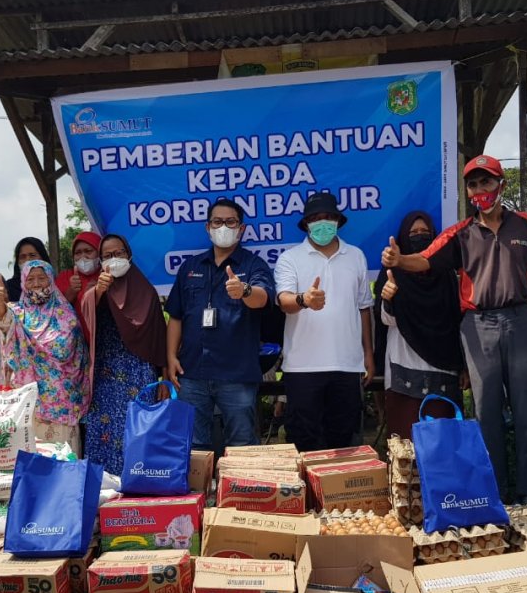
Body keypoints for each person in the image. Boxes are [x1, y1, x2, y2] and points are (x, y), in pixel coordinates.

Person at [382, 155, 527, 504]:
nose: (480, 190)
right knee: (485, 412)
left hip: (523, 321)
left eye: (487, 182)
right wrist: (399, 260)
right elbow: (426, 260)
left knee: (526, 411)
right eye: (474, 184)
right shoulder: (460, 234)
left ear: (501, 185)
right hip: (478, 327)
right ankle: (494, 492)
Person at [165, 198, 276, 450]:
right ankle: (200, 490)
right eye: (217, 221)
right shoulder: (190, 267)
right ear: (208, 227)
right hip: (192, 373)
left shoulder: (253, 265)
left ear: (242, 228)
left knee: (242, 444)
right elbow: (176, 316)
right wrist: (171, 357)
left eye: (230, 222)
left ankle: (242, 490)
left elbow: (263, 298)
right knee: (193, 447)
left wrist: (244, 291)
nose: (223, 227)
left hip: (236, 374)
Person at [275, 192, 374, 452]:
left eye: (328, 217)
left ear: (338, 221)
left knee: (344, 442)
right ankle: (308, 494)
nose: (322, 223)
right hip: (302, 367)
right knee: (305, 443)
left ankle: (338, 493)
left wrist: (368, 355)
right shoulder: (290, 258)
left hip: (347, 365)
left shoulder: (356, 256)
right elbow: (284, 301)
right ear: (306, 223)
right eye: (315, 218)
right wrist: (305, 300)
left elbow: (364, 308)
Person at [79, 233, 167, 475]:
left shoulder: (146, 291)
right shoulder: (96, 289)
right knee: (105, 431)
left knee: (138, 427)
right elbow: (86, 313)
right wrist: (99, 291)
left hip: (139, 372)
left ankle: (139, 482)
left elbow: (160, 335)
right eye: (107, 256)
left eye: (118, 254)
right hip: (106, 374)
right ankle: (104, 487)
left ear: (129, 255)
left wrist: (165, 377)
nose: (113, 259)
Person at [373, 211, 465, 441]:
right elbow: (386, 320)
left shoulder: (446, 275)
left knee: (442, 446)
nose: (419, 236)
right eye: (413, 233)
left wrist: (464, 365)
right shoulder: (392, 274)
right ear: (404, 237)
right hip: (402, 367)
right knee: (405, 448)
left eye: (425, 233)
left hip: (443, 370)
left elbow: (458, 321)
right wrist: (388, 298)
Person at [0, 260, 89, 452]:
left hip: (61, 405)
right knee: (31, 460)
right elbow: (2, 324)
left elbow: (68, 353)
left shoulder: (66, 315)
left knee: (62, 461)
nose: (36, 283)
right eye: (31, 279)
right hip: (28, 406)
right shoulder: (17, 313)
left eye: (42, 278)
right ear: (23, 283)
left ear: (51, 280)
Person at [55, 232, 102, 310]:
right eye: (78, 253)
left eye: (88, 251)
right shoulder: (65, 276)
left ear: (99, 253)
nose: (83, 257)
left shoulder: (106, 276)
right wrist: (71, 292)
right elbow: (56, 309)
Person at [4, 236, 52, 303]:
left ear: (43, 257)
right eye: (22, 257)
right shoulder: (9, 287)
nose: (28, 260)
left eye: (32, 255)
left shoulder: (53, 284)